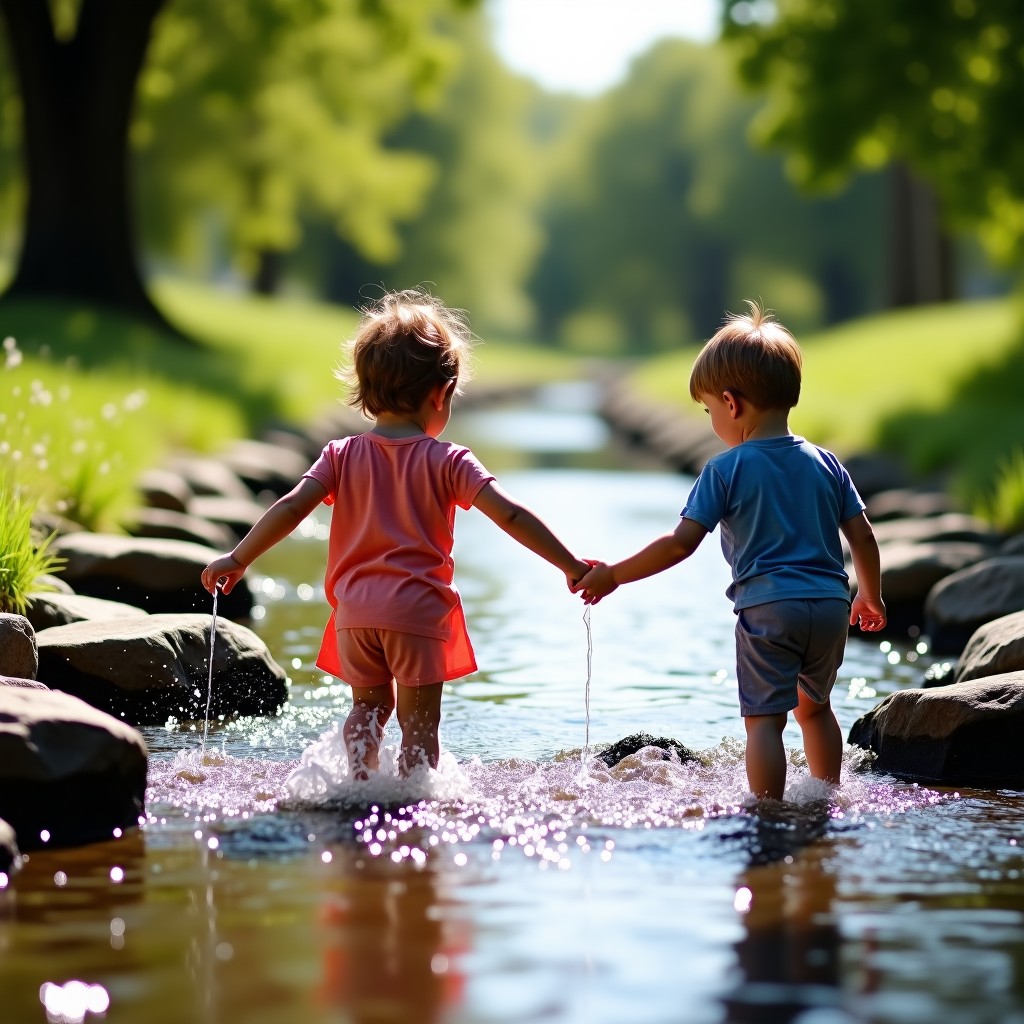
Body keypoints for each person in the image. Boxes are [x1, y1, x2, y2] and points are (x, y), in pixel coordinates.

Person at [202, 289, 589, 778]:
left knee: (367, 712)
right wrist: (571, 565)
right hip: (417, 613)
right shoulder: (449, 461)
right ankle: (413, 810)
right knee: (419, 726)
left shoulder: (340, 455)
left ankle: (359, 786)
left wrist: (239, 557)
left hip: (355, 614)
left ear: (365, 391)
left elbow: (293, 506)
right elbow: (510, 515)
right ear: (441, 394)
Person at [574, 300, 886, 801]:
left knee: (764, 722)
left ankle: (767, 812)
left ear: (732, 403)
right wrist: (869, 596)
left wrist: (615, 574)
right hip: (829, 605)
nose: (710, 420)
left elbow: (679, 545)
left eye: (709, 410)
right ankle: (827, 799)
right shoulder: (826, 462)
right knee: (816, 709)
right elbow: (863, 535)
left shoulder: (725, 469)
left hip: (768, 608)